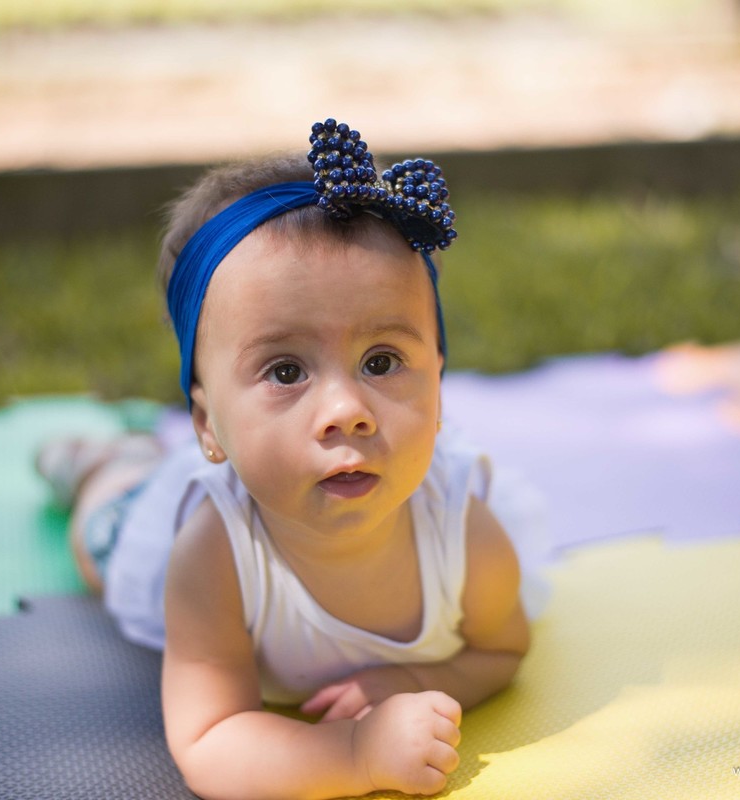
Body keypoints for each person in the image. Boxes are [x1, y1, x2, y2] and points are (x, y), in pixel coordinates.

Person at [36, 119, 534, 800]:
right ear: (210, 426)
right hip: (147, 532)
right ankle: (101, 463)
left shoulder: (467, 535)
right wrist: (355, 753)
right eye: (286, 371)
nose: (345, 409)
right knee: (100, 533)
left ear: (438, 387)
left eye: (382, 362)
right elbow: (210, 737)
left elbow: (501, 649)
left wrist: (419, 682)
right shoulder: (210, 554)